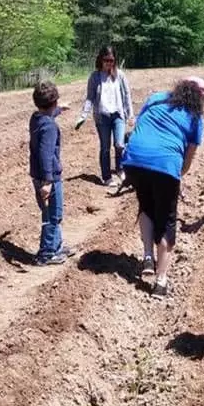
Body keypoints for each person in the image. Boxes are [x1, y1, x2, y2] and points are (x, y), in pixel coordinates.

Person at [121, 76, 204, 298]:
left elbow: (140, 125)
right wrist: (177, 174)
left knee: (146, 205)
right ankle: (161, 281)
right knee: (167, 219)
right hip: (166, 162)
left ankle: (148, 257)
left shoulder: (156, 98)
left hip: (135, 159)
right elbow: (189, 155)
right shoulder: (196, 116)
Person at [30, 81, 75, 265]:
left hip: (37, 175)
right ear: (54, 102)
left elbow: (47, 114)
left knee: (51, 214)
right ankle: (47, 252)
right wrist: (48, 181)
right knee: (52, 215)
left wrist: (59, 110)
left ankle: (56, 245)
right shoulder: (49, 127)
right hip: (49, 177)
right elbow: (46, 154)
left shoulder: (36, 118)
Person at [75, 46, 134, 187]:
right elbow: (90, 98)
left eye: (111, 60)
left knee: (120, 144)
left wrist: (130, 114)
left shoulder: (120, 75)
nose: (109, 63)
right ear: (101, 60)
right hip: (102, 117)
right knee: (105, 147)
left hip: (118, 114)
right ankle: (107, 177)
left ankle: (120, 169)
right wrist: (83, 115)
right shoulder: (95, 77)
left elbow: (126, 95)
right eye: (106, 60)